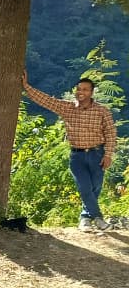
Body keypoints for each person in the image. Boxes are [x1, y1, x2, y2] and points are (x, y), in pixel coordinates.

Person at [22, 73, 117, 231]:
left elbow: (111, 133)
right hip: (77, 156)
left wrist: (108, 155)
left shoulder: (102, 111)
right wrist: (26, 86)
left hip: (97, 154)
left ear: (91, 92)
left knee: (95, 187)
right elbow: (46, 100)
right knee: (84, 187)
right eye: (79, 89)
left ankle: (85, 219)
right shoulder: (67, 108)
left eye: (85, 89)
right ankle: (98, 219)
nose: (81, 92)